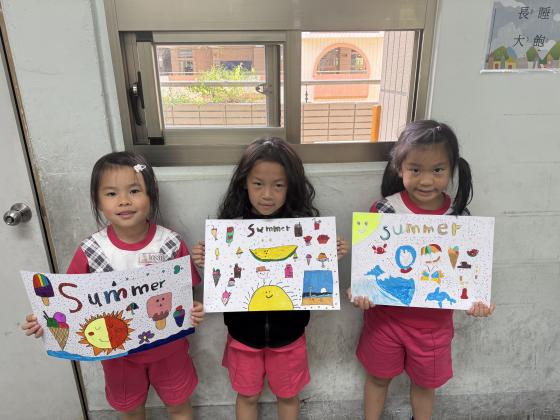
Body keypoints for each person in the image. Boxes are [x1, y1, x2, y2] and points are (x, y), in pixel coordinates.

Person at [22, 151, 204, 420]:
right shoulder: (91, 250)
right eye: (111, 193)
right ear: (97, 201)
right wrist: (44, 319)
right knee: (130, 411)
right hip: (117, 355)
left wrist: (194, 308)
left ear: (151, 195)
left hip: (169, 349)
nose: (124, 201)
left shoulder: (170, 243)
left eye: (134, 191)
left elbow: (186, 293)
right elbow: (68, 303)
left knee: (179, 407)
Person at [191, 137, 348, 420]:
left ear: (291, 186)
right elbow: (224, 279)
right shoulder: (230, 228)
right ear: (244, 183)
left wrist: (327, 256)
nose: (267, 194)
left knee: (288, 395)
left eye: (278, 185)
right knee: (247, 395)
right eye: (258, 184)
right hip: (242, 336)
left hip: (290, 335)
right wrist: (208, 259)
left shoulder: (304, 227)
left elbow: (314, 285)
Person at [348, 120, 495, 420]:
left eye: (438, 170)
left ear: (451, 170)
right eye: (415, 169)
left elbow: (465, 274)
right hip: (385, 321)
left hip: (434, 328)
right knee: (378, 379)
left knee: (425, 386)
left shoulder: (458, 217)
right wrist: (359, 289)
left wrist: (475, 300)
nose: (426, 180)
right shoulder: (384, 211)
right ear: (399, 168)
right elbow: (370, 266)